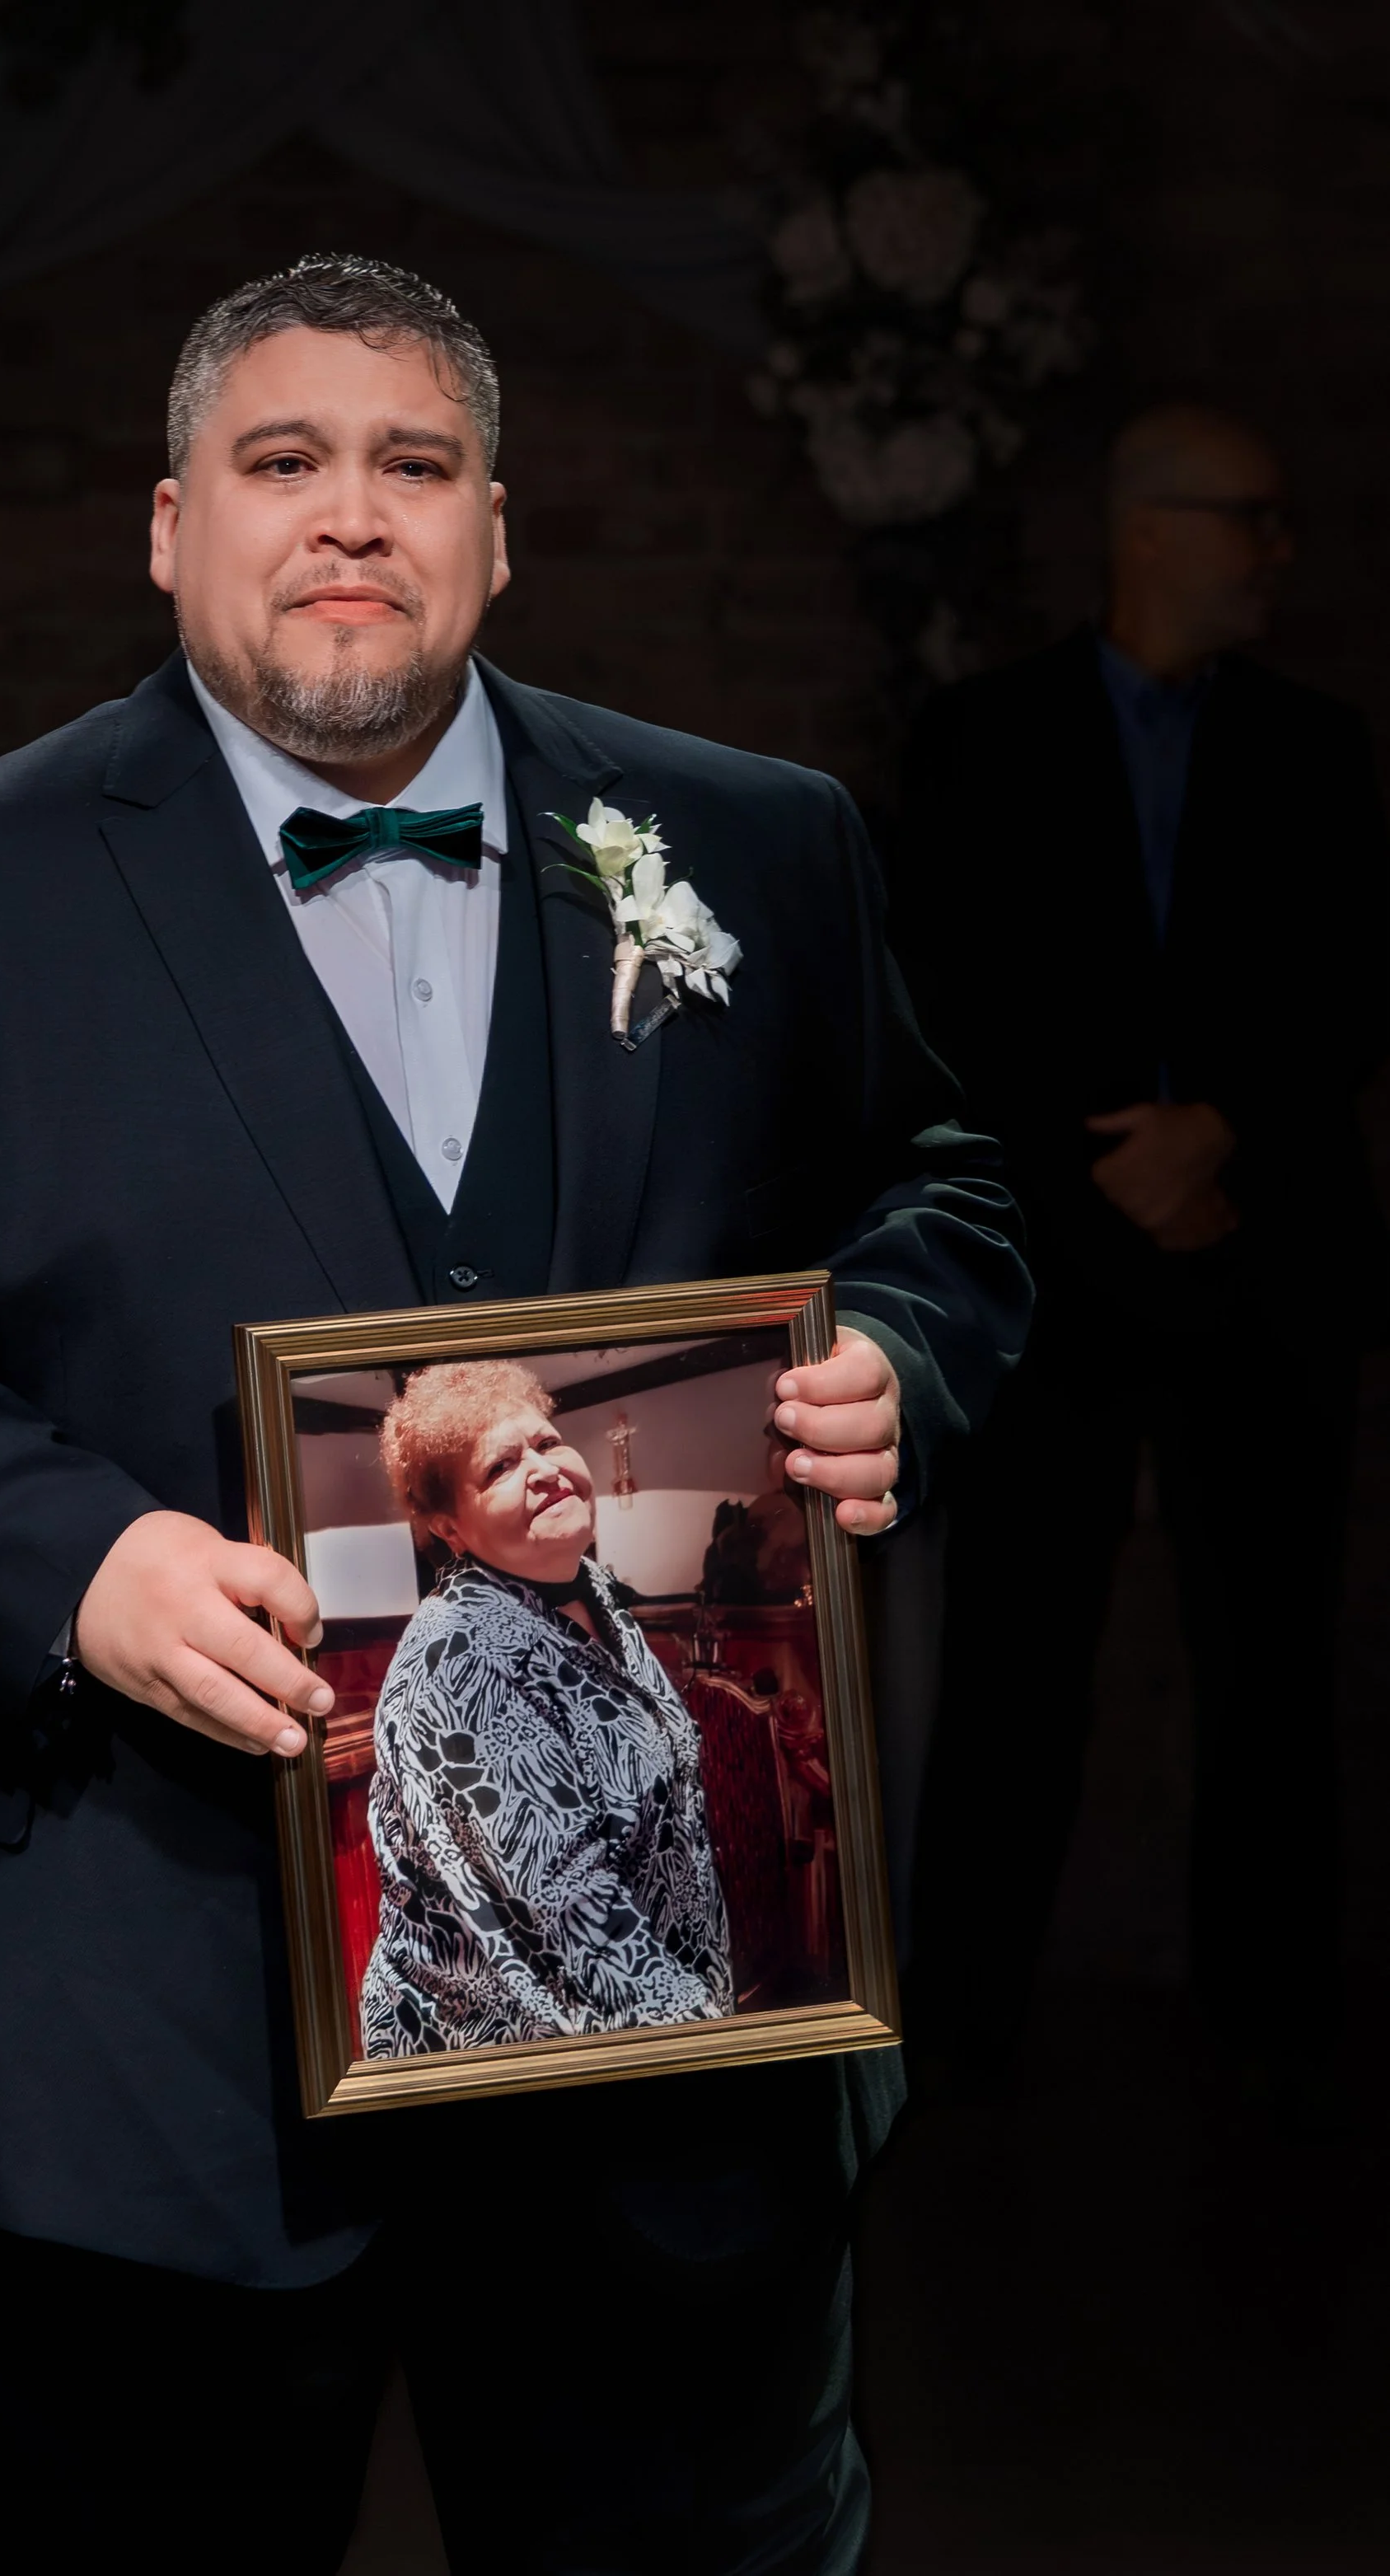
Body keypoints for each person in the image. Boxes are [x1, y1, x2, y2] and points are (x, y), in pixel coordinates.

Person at [0, 255, 1030, 2574]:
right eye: (281, 459)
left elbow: (940, 1183)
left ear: (497, 527)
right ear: (169, 523)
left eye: (414, 463)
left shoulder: (757, 842)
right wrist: (70, 1562)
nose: (349, 512)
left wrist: (899, 1344)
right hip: (103, 2052)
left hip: (671, 2074)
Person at [890, 404, 1390, 2095]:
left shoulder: (1316, 748)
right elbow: (942, 999)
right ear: (1148, 530)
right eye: (1249, 516)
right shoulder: (981, 739)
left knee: (1275, 1662)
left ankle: (1276, 2041)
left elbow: (1355, 983)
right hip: (1053, 1275)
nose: (1275, 551)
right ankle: (959, 2050)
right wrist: (1109, 1173)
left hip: (1266, 1259)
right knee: (1015, 1665)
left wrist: (1218, 1130)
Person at [359, 1359, 734, 2057]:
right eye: (500, 1467)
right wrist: (714, 2047)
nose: (542, 1469)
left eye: (547, 1443)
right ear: (449, 1527)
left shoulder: (597, 1595)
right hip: (513, 2055)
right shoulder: (458, 1658)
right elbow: (570, 1909)